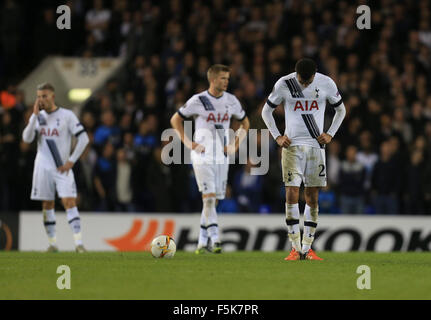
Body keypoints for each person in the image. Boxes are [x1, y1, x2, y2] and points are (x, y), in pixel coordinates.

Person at [261, 58, 346, 260]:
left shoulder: (326, 83)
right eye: (302, 80)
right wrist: (277, 136)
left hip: (316, 147)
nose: (305, 84)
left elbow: (341, 110)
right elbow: (266, 111)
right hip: (292, 147)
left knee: (313, 197)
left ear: (315, 73)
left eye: (308, 81)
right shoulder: (284, 83)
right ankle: (294, 247)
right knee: (291, 194)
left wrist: (331, 133)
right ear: (296, 73)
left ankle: (307, 248)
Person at [170, 64, 250, 254]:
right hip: (202, 155)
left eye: (228, 78)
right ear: (213, 80)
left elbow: (245, 122)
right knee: (209, 197)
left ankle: (200, 242)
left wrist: (235, 145)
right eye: (223, 78)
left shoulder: (231, 101)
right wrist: (189, 143)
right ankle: (215, 240)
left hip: (221, 157)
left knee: (213, 201)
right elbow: (175, 120)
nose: (226, 82)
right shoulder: (199, 100)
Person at [22, 83, 90, 252]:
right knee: (47, 204)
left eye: (44, 96)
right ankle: (52, 243)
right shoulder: (38, 118)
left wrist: (72, 160)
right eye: (38, 96)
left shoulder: (67, 115)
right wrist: (33, 117)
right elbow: (27, 138)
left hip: (62, 168)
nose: (41, 99)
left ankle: (79, 243)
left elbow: (84, 139)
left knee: (69, 201)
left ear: (52, 96)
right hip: (42, 167)